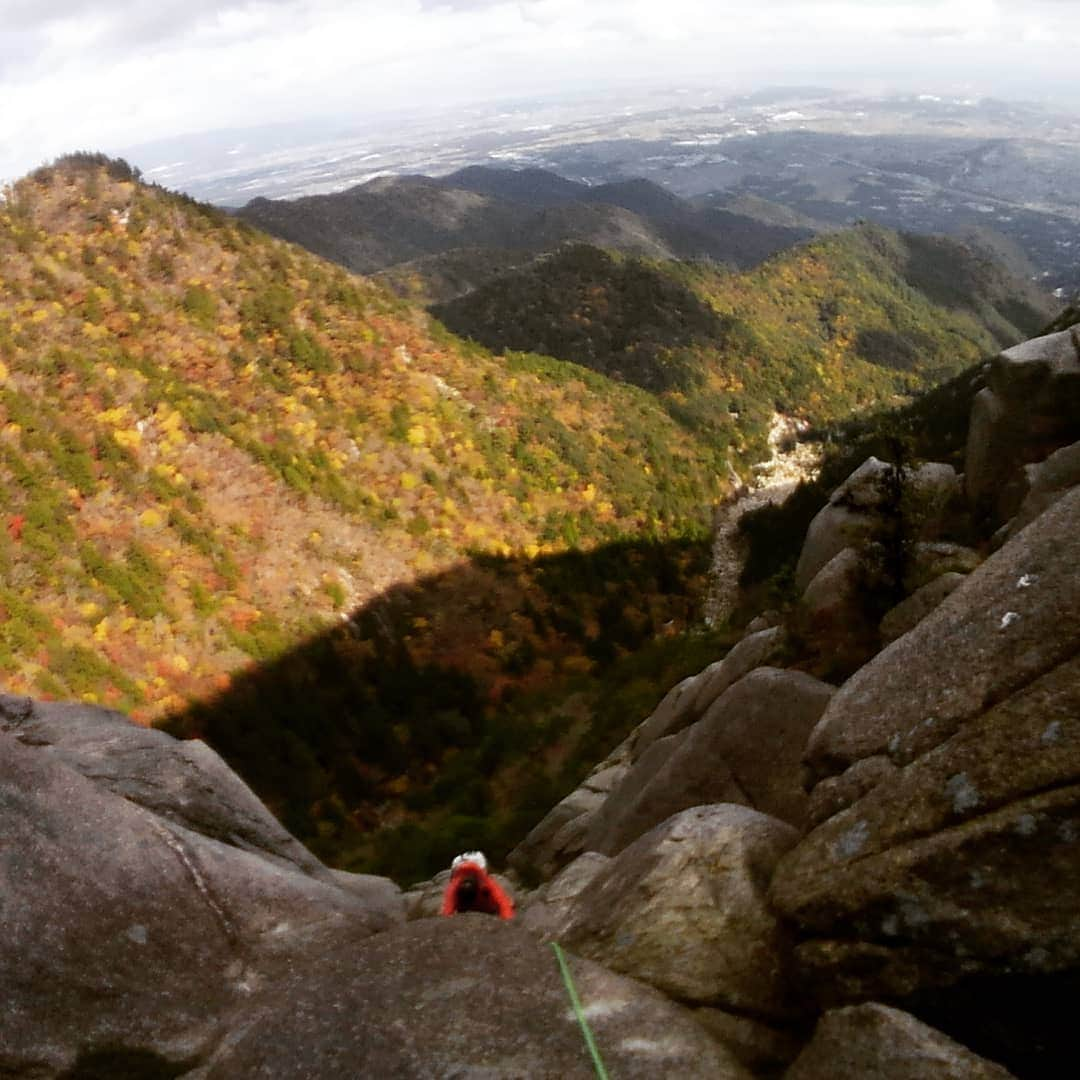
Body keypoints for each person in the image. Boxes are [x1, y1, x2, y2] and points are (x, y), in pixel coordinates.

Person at [440, 851, 515, 919]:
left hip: (483, 901)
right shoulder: (456, 887)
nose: (466, 875)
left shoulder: (487, 884)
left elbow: (447, 911)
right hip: (481, 902)